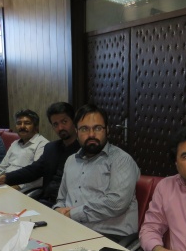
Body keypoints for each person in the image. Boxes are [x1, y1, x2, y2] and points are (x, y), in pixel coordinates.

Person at [54, 104, 140, 242]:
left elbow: (116, 203)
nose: (91, 135)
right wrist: (58, 209)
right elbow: (61, 198)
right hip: (70, 229)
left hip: (109, 236)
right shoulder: (71, 160)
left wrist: (73, 214)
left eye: (98, 128)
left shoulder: (121, 160)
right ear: (76, 131)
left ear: (107, 130)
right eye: (84, 129)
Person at [0, 102, 81, 207]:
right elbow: (33, 170)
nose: (60, 127)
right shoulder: (51, 148)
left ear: (74, 122)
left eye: (64, 121)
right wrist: (6, 177)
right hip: (46, 201)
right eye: (55, 124)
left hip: (68, 205)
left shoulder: (83, 150)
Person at [0, 109, 49, 193]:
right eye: (19, 123)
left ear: (36, 126)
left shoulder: (43, 144)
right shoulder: (15, 143)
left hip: (21, 189)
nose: (22, 126)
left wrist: (18, 187)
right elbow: (2, 166)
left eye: (27, 123)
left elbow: (39, 176)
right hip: (3, 183)